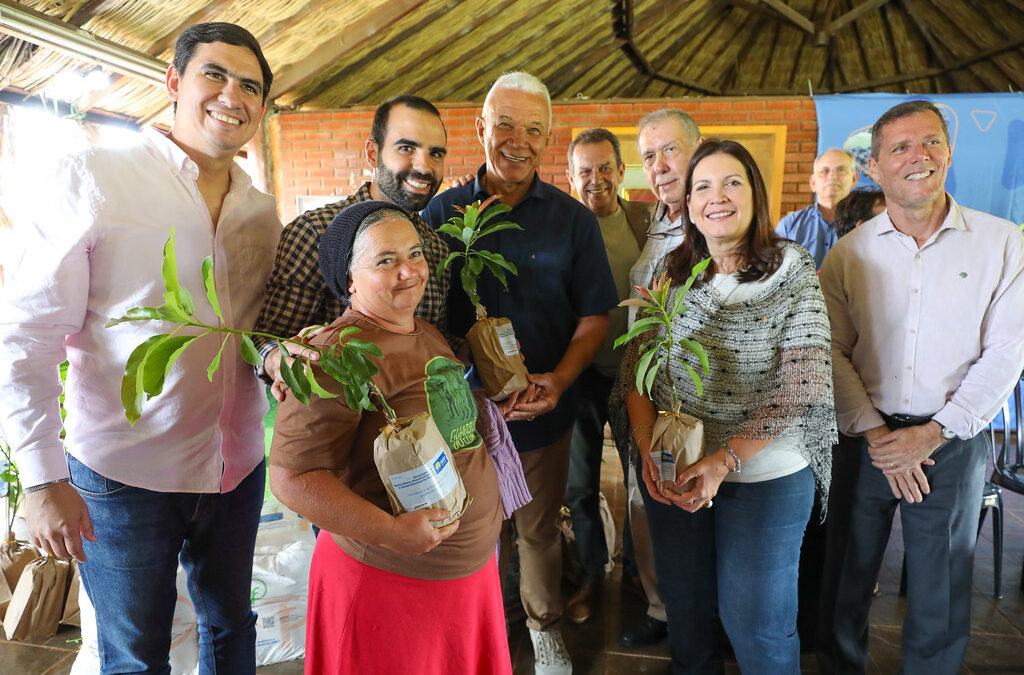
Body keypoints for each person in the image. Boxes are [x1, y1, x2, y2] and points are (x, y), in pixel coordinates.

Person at [0, 23, 280, 672]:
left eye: (251, 86)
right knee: (134, 654)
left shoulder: (259, 210)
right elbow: (28, 335)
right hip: (123, 475)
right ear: (175, 83)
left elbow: (256, 334)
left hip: (234, 464)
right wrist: (42, 478)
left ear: (262, 107)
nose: (231, 95)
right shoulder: (96, 177)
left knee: (232, 627)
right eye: (215, 75)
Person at [818, 100, 1024, 674]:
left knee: (943, 588)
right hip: (863, 437)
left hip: (954, 442)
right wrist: (879, 434)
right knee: (846, 578)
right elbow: (830, 349)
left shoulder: (1004, 244)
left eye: (931, 142)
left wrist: (934, 433)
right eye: (901, 147)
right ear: (876, 168)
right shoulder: (848, 253)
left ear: (949, 154)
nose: (919, 156)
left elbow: (1008, 352)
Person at [422, 71, 617, 675]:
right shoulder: (441, 212)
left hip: (543, 411)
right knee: (472, 532)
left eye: (533, 129)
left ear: (548, 137)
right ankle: (481, 634)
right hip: (463, 417)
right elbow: (421, 312)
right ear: (479, 128)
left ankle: (545, 630)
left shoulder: (572, 221)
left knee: (536, 530)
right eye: (504, 124)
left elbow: (595, 316)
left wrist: (558, 380)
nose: (517, 140)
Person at [618, 139, 836, 673]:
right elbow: (636, 371)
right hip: (680, 468)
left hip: (767, 475)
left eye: (732, 182)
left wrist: (725, 460)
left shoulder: (791, 269)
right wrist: (648, 449)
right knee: (688, 617)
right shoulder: (670, 274)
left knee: (757, 625)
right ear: (688, 204)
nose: (717, 196)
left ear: (755, 196)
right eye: (703, 186)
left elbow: (802, 382)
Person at [268, 201, 509, 675]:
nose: (409, 271)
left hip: (462, 576)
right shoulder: (334, 355)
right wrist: (395, 534)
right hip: (394, 584)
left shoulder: (423, 331)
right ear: (350, 280)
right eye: (386, 260)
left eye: (415, 254)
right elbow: (292, 477)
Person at [254, 94, 452, 391]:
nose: (423, 167)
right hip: (339, 419)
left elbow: (432, 339)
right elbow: (268, 339)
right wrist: (275, 359)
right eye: (407, 148)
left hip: (420, 426)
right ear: (373, 154)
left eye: (436, 153)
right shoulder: (315, 232)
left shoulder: (435, 247)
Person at [612, 108, 705, 648]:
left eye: (670, 150)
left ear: (697, 148)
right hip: (645, 395)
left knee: (689, 506)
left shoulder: (712, 217)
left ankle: (696, 620)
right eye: (649, 156)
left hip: (695, 404)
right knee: (645, 502)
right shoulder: (657, 222)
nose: (660, 165)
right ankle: (662, 608)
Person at [561, 127, 651, 625]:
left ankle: (639, 570)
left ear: (621, 171)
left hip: (635, 374)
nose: (596, 179)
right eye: (585, 171)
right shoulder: (564, 226)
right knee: (580, 483)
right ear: (572, 178)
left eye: (604, 168)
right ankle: (593, 572)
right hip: (581, 375)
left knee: (644, 477)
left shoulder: (646, 220)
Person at [775, 148, 859, 269]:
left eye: (841, 170)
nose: (832, 176)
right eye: (824, 171)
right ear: (813, 183)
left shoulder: (868, 224)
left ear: (854, 179)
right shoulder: (789, 226)